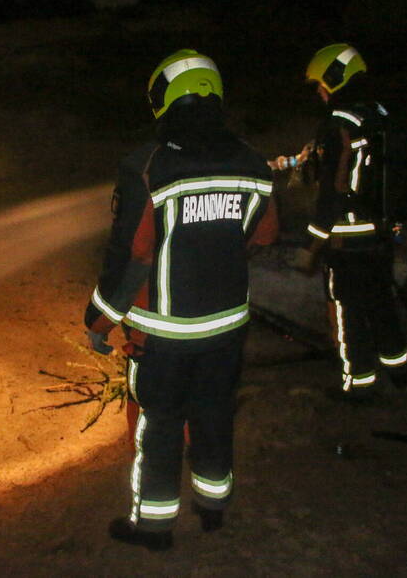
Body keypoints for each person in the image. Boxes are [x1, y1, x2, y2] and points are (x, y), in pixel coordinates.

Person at [84, 49, 278, 550]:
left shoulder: (148, 165)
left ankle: (153, 527)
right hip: (228, 328)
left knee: (161, 425)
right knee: (214, 415)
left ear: (164, 97)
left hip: (164, 336)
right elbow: (265, 234)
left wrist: (99, 320)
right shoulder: (252, 160)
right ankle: (213, 508)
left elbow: (133, 254)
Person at [301, 44, 407, 398]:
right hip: (381, 232)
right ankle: (399, 367)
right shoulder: (381, 114)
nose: (319, 92)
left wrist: (313, 244)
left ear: (335, 80)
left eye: (321, 84)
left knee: (349, 312)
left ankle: (359, 382)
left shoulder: (338, 125)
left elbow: (331, 191)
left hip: (347, 238)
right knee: (381, 301)